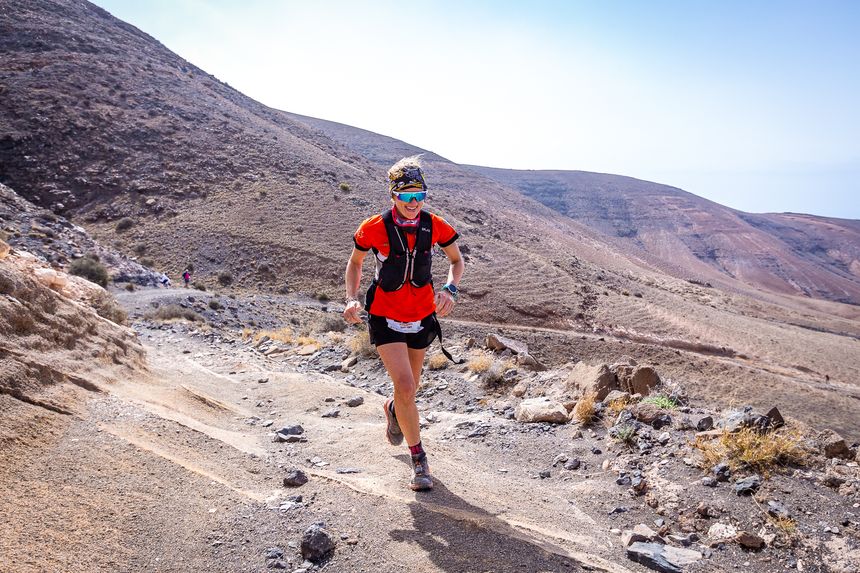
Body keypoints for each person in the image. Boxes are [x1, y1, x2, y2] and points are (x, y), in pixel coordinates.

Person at [343, 156, 464, 491]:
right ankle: (419, 459)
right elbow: (355, 263)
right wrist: (352, 298)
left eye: (419, 195)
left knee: (410, 388)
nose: (414, 203)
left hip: (422, 316)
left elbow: (456, 260)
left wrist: (450, 288)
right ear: (393, 195)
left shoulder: (434, 224)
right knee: (408, 386)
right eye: (406, 196)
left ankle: (393, 408)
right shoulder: (374, 228)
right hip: (385, 316)